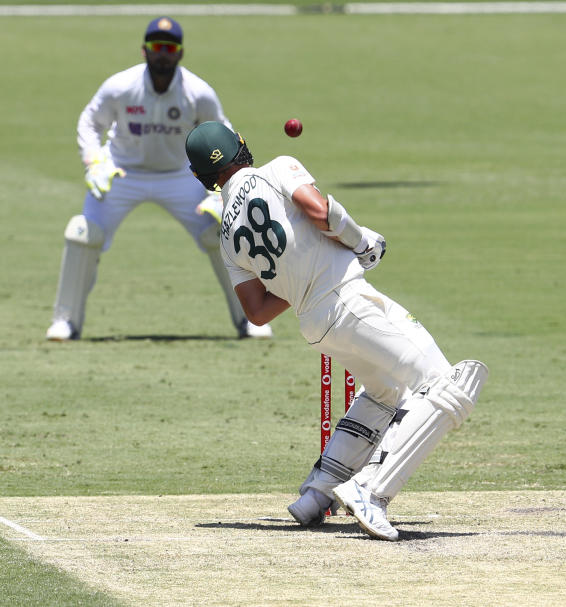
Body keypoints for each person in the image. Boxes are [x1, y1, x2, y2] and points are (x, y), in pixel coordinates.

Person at [184, 121, 488, 541]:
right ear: (240, 148)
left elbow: (255, 311)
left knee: (384, 391)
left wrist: (299, 279)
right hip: (346, 300)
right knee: (447, 384)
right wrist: (362, 243)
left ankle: (316, 494)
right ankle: (370, 491)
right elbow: (318, 210)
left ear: (203, 177)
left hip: (316, 322)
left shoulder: (227, 237)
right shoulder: (276, 169)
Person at [46, 16, 272, 341]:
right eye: (156, 47)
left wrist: (221, 190)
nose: (162, 53)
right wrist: (94, 162)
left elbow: (222, 137)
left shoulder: (198, 93)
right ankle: (65, 322)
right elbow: (89, 122)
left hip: (181, 176)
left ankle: (252, 319)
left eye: (169, 47)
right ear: (144, 51)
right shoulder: (121, 86)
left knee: (220, 233)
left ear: (180, 53)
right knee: (83, 234)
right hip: (122, 173)